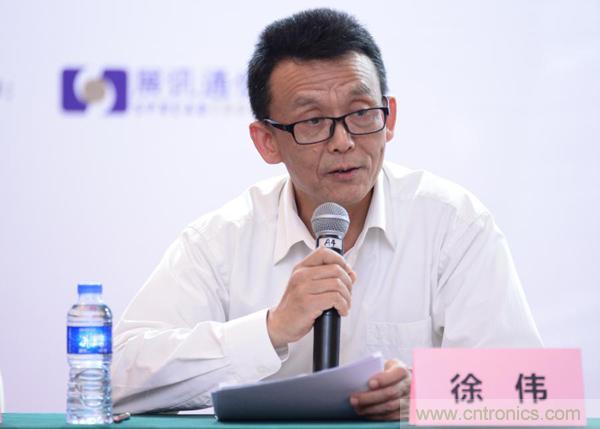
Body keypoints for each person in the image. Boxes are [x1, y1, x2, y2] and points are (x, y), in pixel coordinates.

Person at [111, 8, 542, 420]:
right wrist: (271, 329)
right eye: (313, 121)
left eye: (361, 113)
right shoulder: (221, 240)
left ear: (389, 118)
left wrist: (429, 394)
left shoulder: (453, 224)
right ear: (266, 141)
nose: (343, 141)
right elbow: (118, 376)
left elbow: (530, 389)